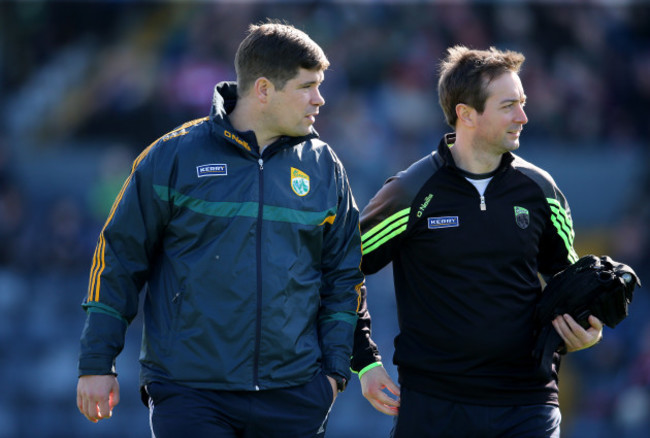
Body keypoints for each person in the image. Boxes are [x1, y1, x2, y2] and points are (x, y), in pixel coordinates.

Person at [76, 21, 364, 438]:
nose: (319, 99)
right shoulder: (172, 156)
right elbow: (118, 259)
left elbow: (344, 274)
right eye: (307, 86)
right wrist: (96, 363)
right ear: (263, 90)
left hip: (296, 396)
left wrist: (333, 375)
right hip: (192, 394)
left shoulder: (325, 167)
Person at [351, 46, 604, 437]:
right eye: (508, 106)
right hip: (434, 407)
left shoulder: (541, 191)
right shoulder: (409, 192)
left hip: (528, 405)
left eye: (522, 102)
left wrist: (587, 328)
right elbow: (339, 270)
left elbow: (568, 283)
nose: (523, 116)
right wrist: (365, 361)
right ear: (466, 114)